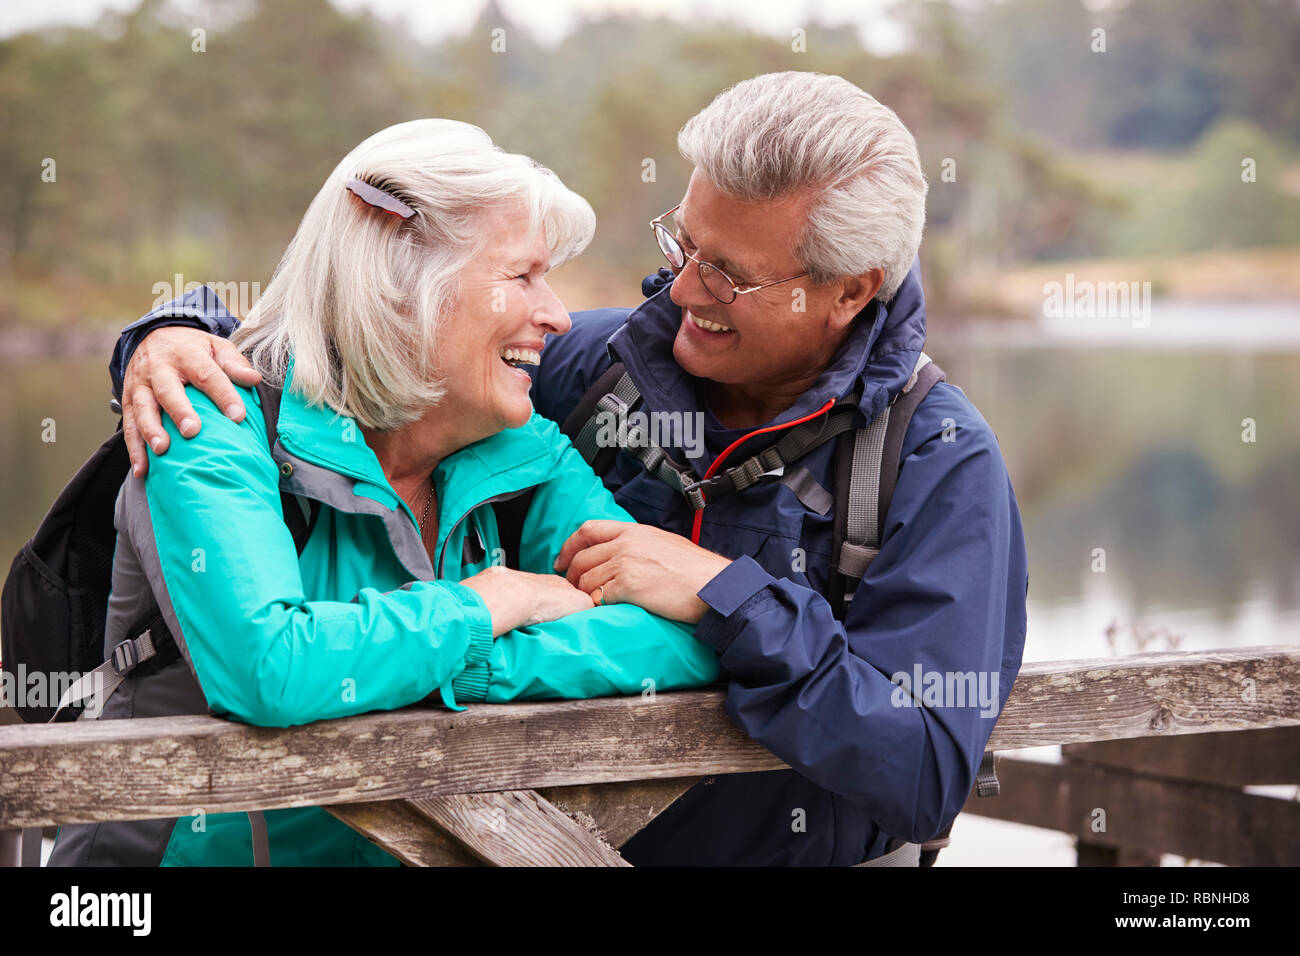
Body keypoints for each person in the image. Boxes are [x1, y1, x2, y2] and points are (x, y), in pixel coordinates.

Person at [109, 72, 1029, 867]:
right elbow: (349, 321)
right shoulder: (593, 370)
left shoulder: (937, 461)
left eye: (730, 275)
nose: (682, 290)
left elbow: (922, 766)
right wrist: (170, 333)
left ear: (850, 288)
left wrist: (728, 598)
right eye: (683, 245)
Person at [48, 118, 718, 867]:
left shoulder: (526, 450)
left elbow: (686, 635)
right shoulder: (213, 414)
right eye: (522, 276)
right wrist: (492, 603)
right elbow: (272, 668)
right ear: (401, 285)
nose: (557, 315)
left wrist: (467, 662)